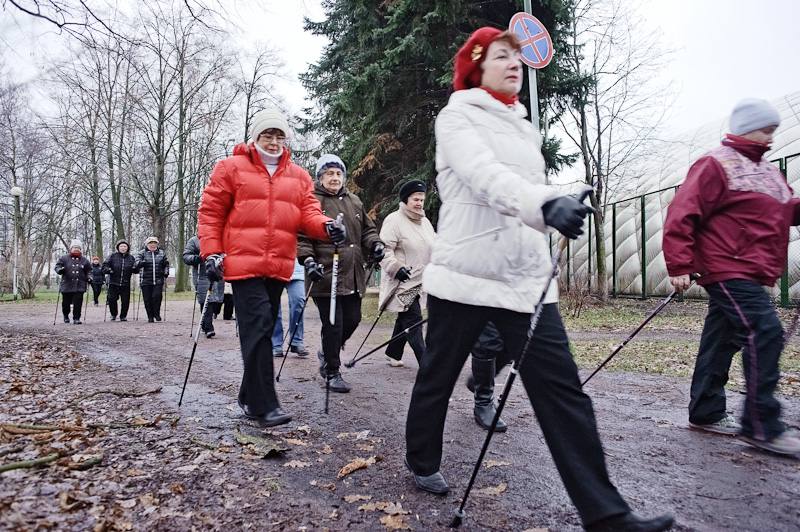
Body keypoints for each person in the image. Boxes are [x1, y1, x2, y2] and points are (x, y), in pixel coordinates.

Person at [403, 28, 673, 532]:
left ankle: (607, 513)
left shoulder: (524, 129)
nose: (515, 65)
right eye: (502, 57)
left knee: (563, 392)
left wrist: (564, 195)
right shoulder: (456, 116)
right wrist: (545, 204)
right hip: (466, 276)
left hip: (527, 280)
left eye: (518, 59)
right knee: (437, 376)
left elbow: (529, 186)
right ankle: (421, 459)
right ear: (476, 67)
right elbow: (485, 176)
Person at [663, 98, 800, 456]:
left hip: (752, 270)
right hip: (726, 266)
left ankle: (705, 411)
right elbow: (682, 212)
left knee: (722, 339)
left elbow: (786, 209)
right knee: (764, 330)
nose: (771, 137)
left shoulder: (768, 171)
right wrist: (679, 264)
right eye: (765, 129)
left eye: (774, 130)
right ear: (744, 127)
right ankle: (761, 425)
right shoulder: (715, 163)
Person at [198, 107, 345, 427]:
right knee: (261, 326)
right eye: (268, 135)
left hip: (278, 263)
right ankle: (265, 404)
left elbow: (309, 213)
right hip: (242, 262)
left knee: (259, 328)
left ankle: (248, 395)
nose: (275, 141)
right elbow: (211, 214)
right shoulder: (230, 168)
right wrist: (212, 253)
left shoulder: (298, 176)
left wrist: (327, 226)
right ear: (255, 137)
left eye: (280, 136)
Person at [297, 153, 384, 393]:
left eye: (338, 173)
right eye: (329, 173)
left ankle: (327, 351)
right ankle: (332, 371)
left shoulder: (354, 201)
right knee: (333, 324)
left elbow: (368, 230)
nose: (334, 178)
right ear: (320, 177)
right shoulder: (312, 200)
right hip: (325, 274)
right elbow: (302, 236)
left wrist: (376, 244)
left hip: (353, 273)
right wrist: (308, 261)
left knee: (353, 319)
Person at [378, 180, 435, 366]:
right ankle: (427, 365)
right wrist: (396, 267)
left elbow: (434, 247)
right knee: (414, 321)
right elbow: (383, 250)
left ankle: (393, 352)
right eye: (415, 199)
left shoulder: (425, 222)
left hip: (422, 282)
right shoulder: (394, 220)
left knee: (406, 318)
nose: (419, 203)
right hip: (402, 283)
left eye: (421, 199)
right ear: (405, 199)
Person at [183, 234, 224, 338]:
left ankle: (204, 324)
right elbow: (186, 256)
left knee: (216, 301)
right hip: (202, 275)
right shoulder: (194, 241)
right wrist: (196, 258)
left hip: (218, 274)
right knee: (206, 301)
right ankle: (209, 328)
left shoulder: (218, 238)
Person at [272, 259, 310, 357]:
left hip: (297, 270)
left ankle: (296, 341)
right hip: (273, 269)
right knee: (273, 305)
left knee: (299, 300)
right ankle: (275, 343)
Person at [54, 239, 92, 324]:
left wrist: (89, 277)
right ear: (71, 249)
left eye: (78, 248)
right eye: (74, 247)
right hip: (67, 284)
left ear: (80, 249)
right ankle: (66, 315)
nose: (76, 249)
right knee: (66, 303)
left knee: (78, 303)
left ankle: (76, 318)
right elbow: (57, 266)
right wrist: (59, 270)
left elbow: (89, 270)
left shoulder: (85, 260)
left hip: (80, 285)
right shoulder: (64, 258)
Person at [135, 236, 169, 323]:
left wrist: (166, 272)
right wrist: (142, 263)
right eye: (150, 243)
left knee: (157, 297)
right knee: (147, 299)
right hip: (145, 280)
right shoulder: (142, 253)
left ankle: (156, 313)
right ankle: (150, 316)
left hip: (158, 279)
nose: (152, 245)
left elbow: (166, 264)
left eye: (154, 243)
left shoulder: (162, 253)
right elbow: (136, 263)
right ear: (147, 244)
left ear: (157, 244)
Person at [102, 239, 138, 321]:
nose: (123, 248)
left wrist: (135, 268)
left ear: (127, 248)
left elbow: (136, 269)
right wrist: (109, 270)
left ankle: (123, 316)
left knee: (125, 301)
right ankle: (113, 314)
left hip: (126, 283)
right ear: (118, 247)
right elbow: (104, 266)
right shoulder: (112, 256)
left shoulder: (131, 258)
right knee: (112, 299)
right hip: (113, 282)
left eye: (125, 246)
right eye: (121, 246)